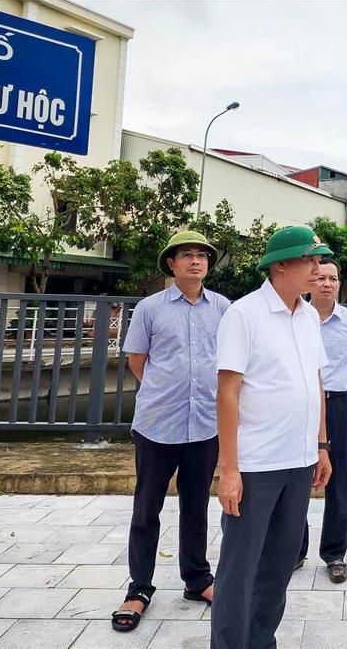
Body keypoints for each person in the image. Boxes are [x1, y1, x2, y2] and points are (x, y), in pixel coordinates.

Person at [211, 226, 334, 649]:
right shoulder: (244, 315)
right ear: (281, 265)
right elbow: (227, 392)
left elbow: (316, 383)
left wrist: (321, 445)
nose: (319, 270)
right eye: (310, 261)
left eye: (320, 262)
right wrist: (229, 470)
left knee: (280, 564)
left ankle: (261, 641)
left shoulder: (308, 316)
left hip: (299, 462)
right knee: (239, 569)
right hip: (257, 465)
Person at [112, 230, 230, 632]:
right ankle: (139, 587)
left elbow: (229, 360)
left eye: (202, 255)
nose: (195, 261)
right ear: (171, 264)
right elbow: (137, 359)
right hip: (157, 425)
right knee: (147, 508)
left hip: (205, 424)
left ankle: (197, 580)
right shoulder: (150, 308)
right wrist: (166, 391)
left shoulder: (223, 308)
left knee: (196, 507)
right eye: (187, 255)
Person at [296, 258, 347, 582]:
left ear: (339, 284)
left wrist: (338, 393)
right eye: (321, 277)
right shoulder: (296, 317)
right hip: (298, 405)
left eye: (333, 278)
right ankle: (295, 549)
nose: (326, 283)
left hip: (336, 404)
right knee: (295, 477)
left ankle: (335, 553)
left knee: (337, 480)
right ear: (311, 282)